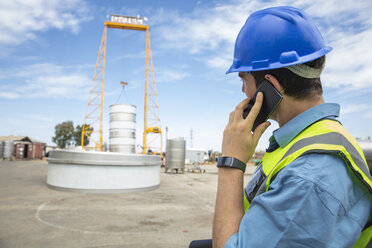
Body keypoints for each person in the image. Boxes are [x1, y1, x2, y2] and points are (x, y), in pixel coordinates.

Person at [212, 6, 372, 248]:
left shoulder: (308, 175)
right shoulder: (311, 140)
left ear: (270, 85)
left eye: (243, 79)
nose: (243, 91)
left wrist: (231, 162)